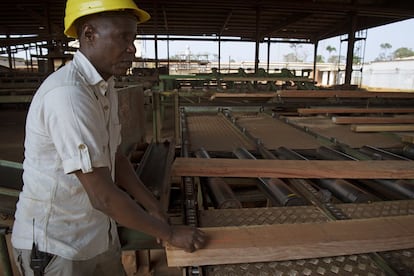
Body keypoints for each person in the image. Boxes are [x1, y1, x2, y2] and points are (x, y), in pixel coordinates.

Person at [11, 0, 206, 275]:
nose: (132, 49)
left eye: (133, 38)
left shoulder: (105, 86)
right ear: (89, 34)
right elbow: (102, 196)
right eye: (123, 38)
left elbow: (115, 158)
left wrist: (152, 206)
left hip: (98, 234)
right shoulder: (69, 94)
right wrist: (170, 233)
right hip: (58, 247)